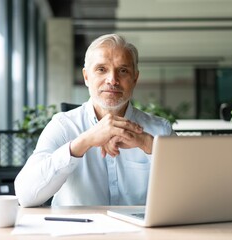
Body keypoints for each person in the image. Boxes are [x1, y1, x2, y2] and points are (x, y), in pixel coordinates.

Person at [15, 33, 174, 207]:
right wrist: (82, 142)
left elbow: (194, 193)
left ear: (135, 78)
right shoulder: (63, 126)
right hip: (78, 233)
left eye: (123, 71)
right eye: (101, 69)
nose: (112, 80)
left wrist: (150, 145)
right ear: (86, 77)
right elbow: (25, 195)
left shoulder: (160, 130)